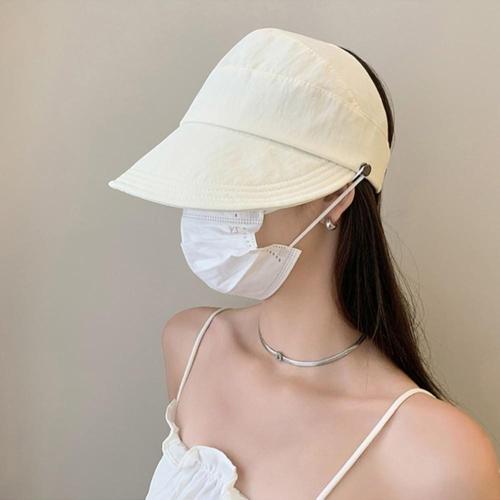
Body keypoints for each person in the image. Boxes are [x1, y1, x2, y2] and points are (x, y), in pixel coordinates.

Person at [108, 28, 500, 499]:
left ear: (338, 196)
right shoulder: (191, 345)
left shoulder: (437, 457)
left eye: (239, 179)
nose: (208, 207)